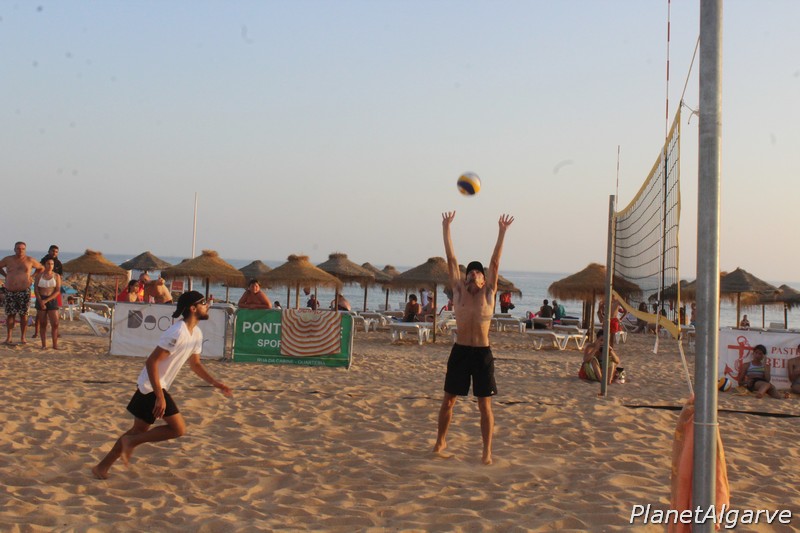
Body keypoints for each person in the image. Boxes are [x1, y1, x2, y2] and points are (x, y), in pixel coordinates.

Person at [92, 291, 233, 479]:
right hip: (152, 386)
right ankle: (130, 442)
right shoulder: (177, 332)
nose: (208, 306)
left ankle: (101, 467)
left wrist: (216, 383)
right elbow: (151, 362)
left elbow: (195, 364)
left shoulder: (197, 333)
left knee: (138, 430)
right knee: (178, 429)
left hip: (154, 385)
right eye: (203, 303)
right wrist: (159, 396)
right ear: (193, 308)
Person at [434, 211, 514, 465]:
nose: (473, 274)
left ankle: (487, 451)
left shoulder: (489, 294)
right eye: (470, 272)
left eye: (478, 272)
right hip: (460, 351)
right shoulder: (459, 292)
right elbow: (451, 259)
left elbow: (495, 262)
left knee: (484, 405)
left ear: (484, 278)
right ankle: (440, 441)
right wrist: (446, 228)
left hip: (482, 353)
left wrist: (502, 232)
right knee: (448, 401)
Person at [0, 242, 43, 345]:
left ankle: (23, 337)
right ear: (14, 249)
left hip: (24, 291)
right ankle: (9, 337)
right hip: (10, 290)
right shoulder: (8, 259)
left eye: (23, 249)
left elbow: (41, 268)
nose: (20, 250)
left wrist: (32, 276)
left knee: (23, 315)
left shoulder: (30, 260)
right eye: (18, 248)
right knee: (10, 315)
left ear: (25, 250)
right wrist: (6, 275)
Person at [34, 258, 61, 350]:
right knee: (43, 323)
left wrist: (46, 300)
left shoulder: (56, 276)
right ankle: (44, 345)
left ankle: (55, 345)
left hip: (52, 299)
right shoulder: (39, 276)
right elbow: (36, 290)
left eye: (52, 264)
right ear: (44, 265)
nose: (50, 266)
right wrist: (41, 301)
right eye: (48, 264)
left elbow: (57, 291)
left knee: (55, 323)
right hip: (40, 299)